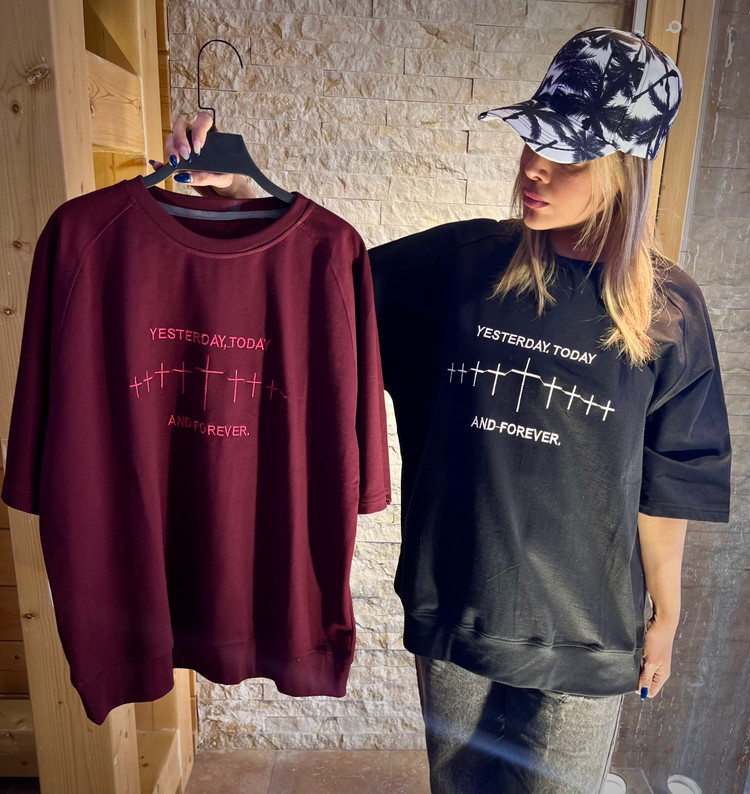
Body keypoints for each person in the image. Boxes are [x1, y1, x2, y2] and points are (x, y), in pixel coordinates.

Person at [156, 27, 731, 794]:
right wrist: (247, 193)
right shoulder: (462, 264)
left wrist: (667, 615)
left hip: (589, 635)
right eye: (533, 141)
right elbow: (325, 284)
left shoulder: (668, 311)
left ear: (626, 171)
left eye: (567, 156)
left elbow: (671, 481)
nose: (534, 167)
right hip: (457, 605)